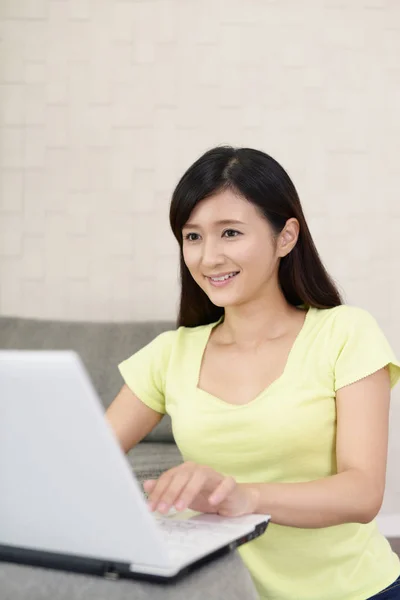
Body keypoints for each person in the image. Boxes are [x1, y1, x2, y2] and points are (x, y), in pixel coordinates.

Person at [106, 146, 400, 600]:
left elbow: (363, 493)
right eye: (193, 237)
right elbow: (85, 463)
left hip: (355, 591)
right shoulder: (170, 354)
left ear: (285, 237)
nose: (208, 258)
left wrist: (243, 496)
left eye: (230, 232)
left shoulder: (344, 333)